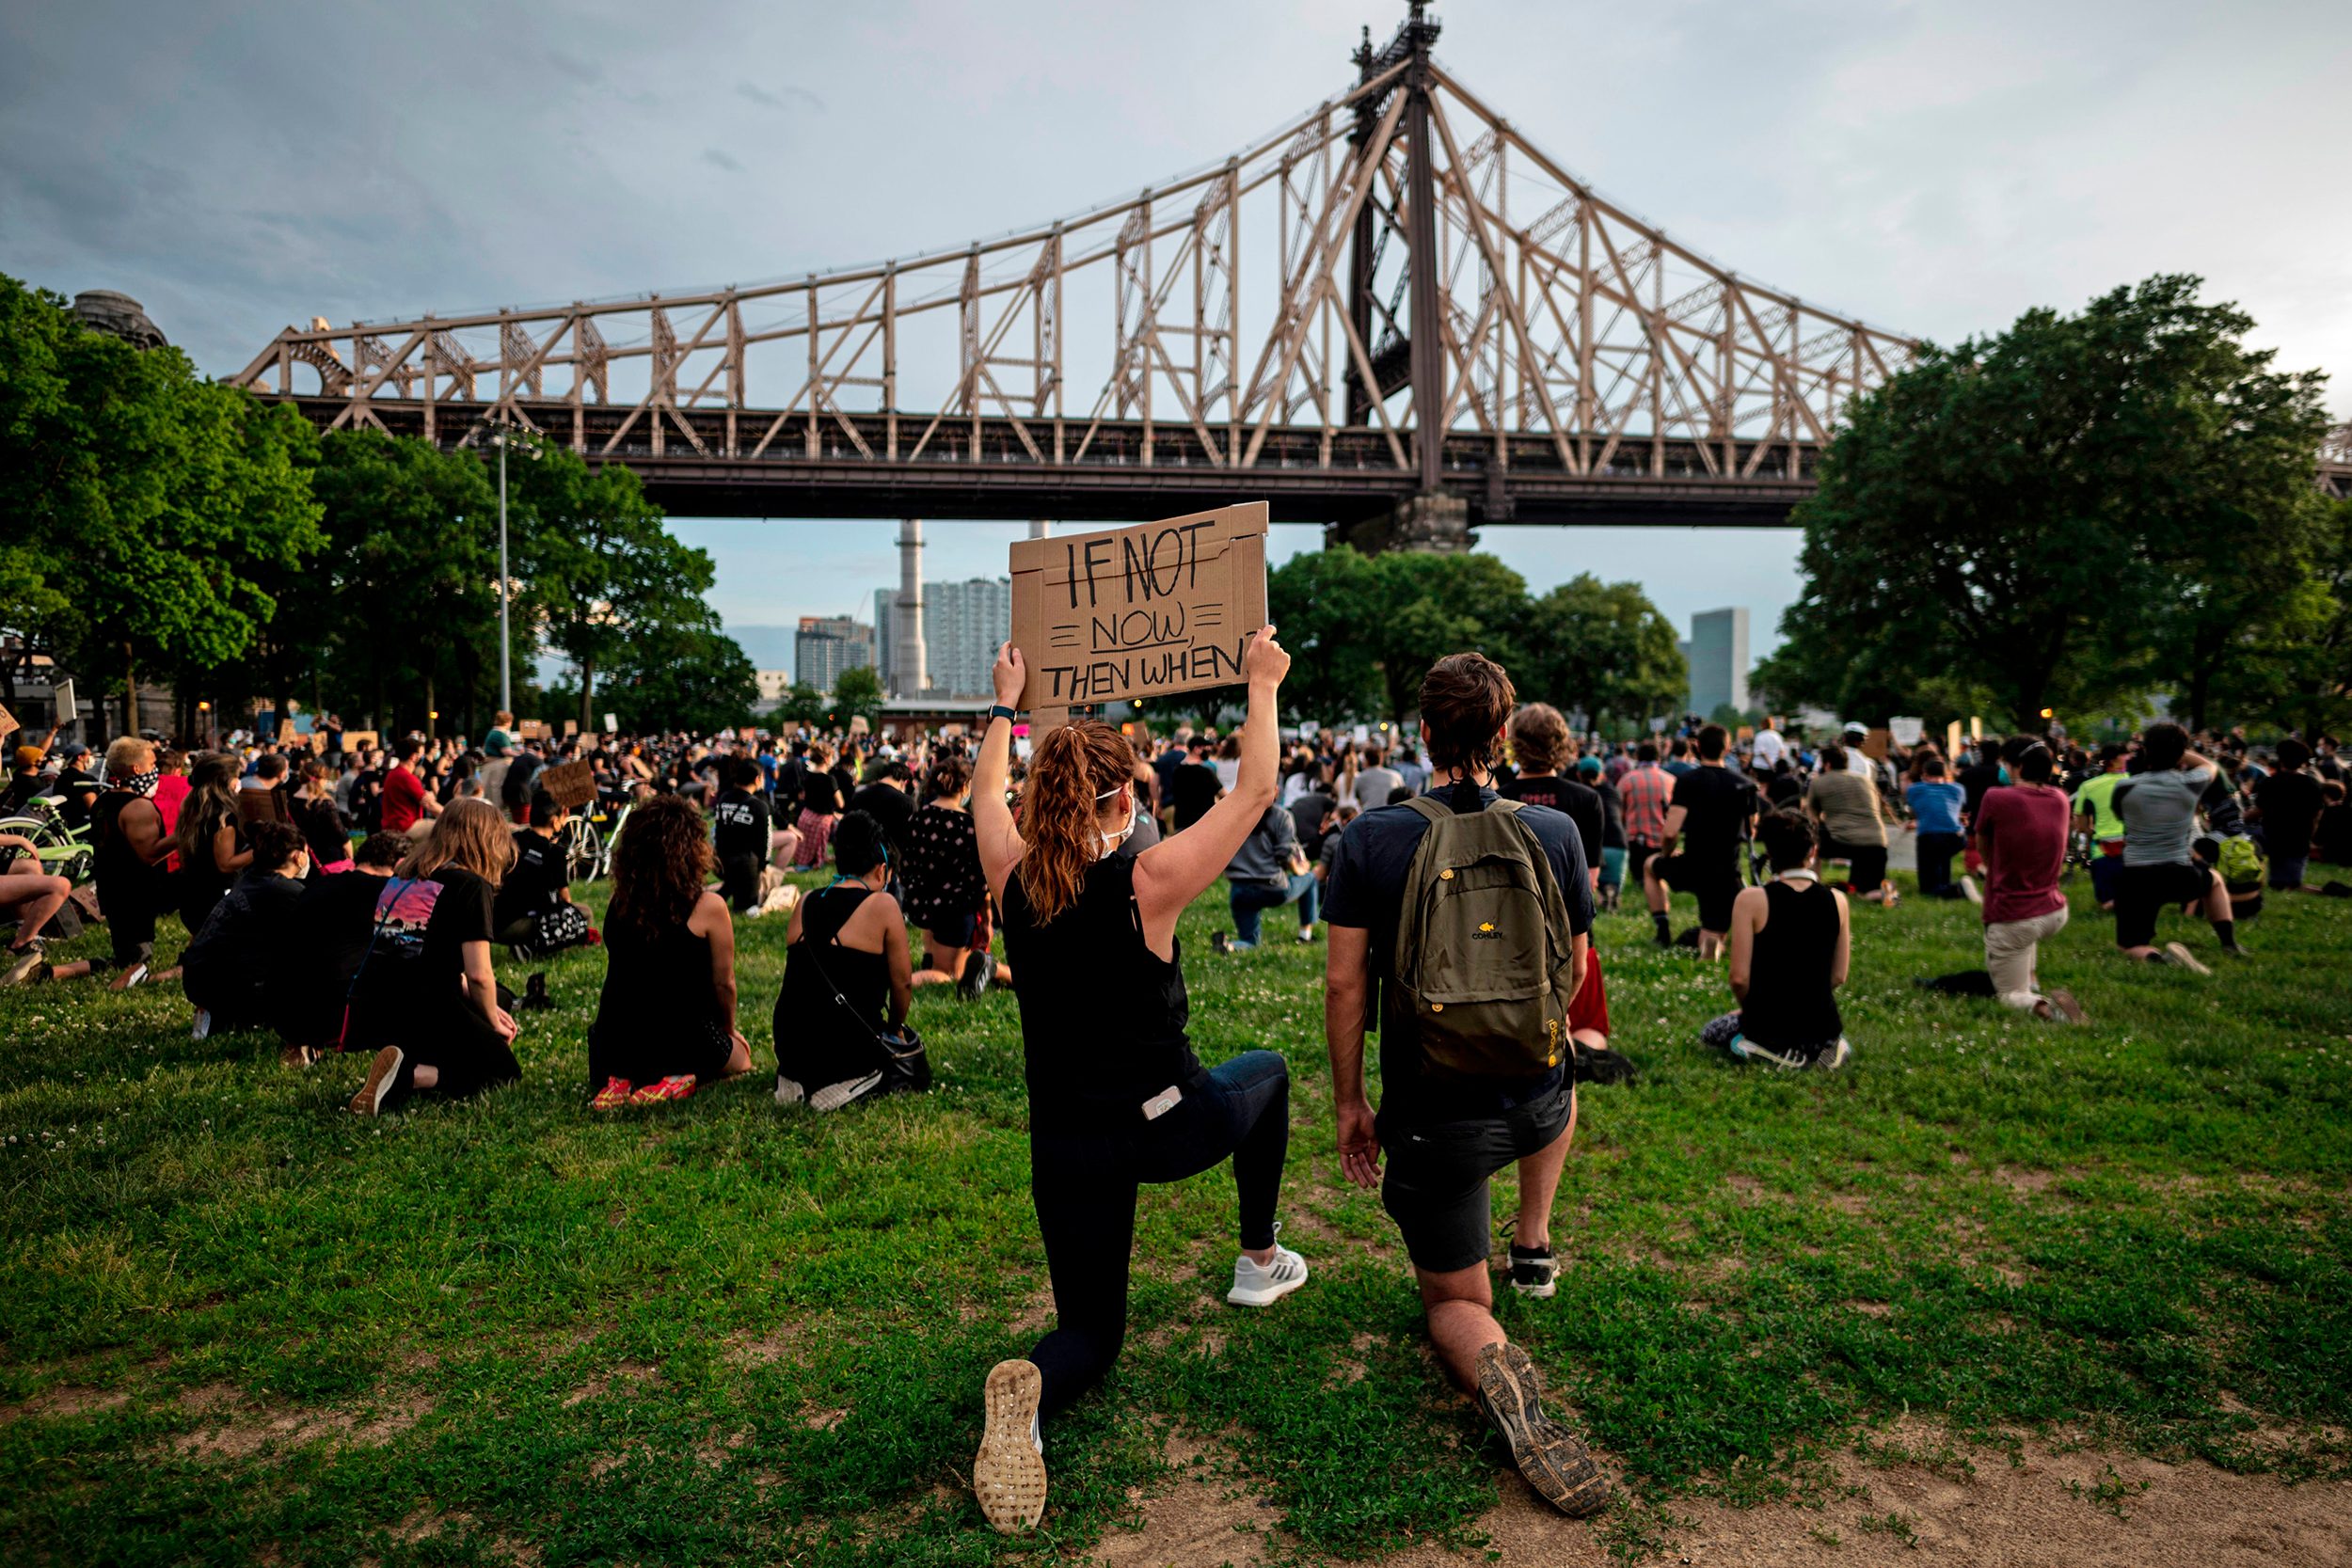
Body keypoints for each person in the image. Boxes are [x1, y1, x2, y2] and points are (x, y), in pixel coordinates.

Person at [969, 630, 1306, 1535]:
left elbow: (983, 797)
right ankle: (1259, 1255)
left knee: (1091, 1334)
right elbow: (1257, 792)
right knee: (1268, 1072)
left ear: (1041, 798)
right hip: (1165, 1123)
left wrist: (1008, 701)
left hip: (1065, 1142)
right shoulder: (1144, 882)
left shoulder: (1009, 878)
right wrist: (1261, 685)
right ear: (1123, 798)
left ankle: (1033, 1389)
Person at [1323, 650, 1605, 1519]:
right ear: (1501, 736)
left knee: (1453, 1297)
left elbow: (1344, 986)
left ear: (1422, 732)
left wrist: (1349, 1101)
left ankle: (1490, 1354)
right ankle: (1534, 1235)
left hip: (1433, 1115)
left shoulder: (1370, 837)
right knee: (1558, 1091)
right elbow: (1577, 966)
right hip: (1536, 1097)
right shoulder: (1555, 832)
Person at [346, 799, 523, 1117]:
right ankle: (409, 1076)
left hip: (380, 1005)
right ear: (487, 840)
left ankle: (411, 1058)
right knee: (502, 1071)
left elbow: (423, 955)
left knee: (503, 999)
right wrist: (492, 1022)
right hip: (428, 1006)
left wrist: (493, 1007)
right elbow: (480, 974)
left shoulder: (403, 876)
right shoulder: (471, 886)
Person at [582, 794, 752, 1107]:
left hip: (613, 1041)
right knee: (742, 1060)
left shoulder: (619, 903)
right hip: (680, 1038)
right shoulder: (708, 907)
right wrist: (727, 1031)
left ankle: (622, 1082)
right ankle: (676, 1079)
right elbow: (724, 984)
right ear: (691, 850)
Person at [1920, 744, 2084, 1022]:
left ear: (2017, 767)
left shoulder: (1997, 797)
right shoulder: (2059, 798)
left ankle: (2044, 1007)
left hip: (2013, 916)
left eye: (2006, 764)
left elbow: (1983, 847)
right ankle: (2030, 981)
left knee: (2008, 995)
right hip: (2053, 911)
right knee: (2023, 942)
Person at [774, 810, 920, 1112]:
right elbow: (903, 983)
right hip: (846, 1050)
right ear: (881, 871)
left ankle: (800, 1080)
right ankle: (842, 1079)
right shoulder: (882, 904)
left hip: (792, 1048)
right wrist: (894, 1029)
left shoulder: (807, 901)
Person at [1700, 810, 1851, 1070]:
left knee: (1711, 1032)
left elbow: (1739, 978)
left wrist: (1754, 1011)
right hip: (1821, 1021)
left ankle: (1769, 1049)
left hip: (1769, 1021)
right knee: (1821, 1035)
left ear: (1769, 853)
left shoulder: (1752, 899)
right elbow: (1839, 975)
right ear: (1812, 851)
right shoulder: (1838, 900)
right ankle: (1829, 1048)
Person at [47, 737, 176, 990]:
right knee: (138, 959)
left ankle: (54, 972)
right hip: (136, 893)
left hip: (111, 889)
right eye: (152, 763)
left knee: (123, 957)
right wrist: (186, 833)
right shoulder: (138, 806)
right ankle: (154, 976)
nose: (155, 770)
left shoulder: (103, 800)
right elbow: (150, 855)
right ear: (137, 769)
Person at [2110, 722, 2239, 974]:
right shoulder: (2191, 783)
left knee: (2129, 945)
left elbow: (2121, 817)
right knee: (2214, 880)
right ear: (2181, 753)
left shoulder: (2125, 787)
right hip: (2180, 874)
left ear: (2145, 750)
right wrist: (2181, 752)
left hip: (2136, 875)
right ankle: (2229, 944)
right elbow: (2210, 766)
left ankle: (2159, 958)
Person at [182, 819, 312, 1039]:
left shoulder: (250, 879)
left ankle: (219, 1015)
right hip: (232, 985)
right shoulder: (285, 890)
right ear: (298, 856)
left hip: (198, 978)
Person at [283, 832, 407, 1052]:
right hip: (334, 1018)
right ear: (400, 863)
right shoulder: (386, 892)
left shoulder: (320, 885)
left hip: (286, 1012)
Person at [1643, 724, 1754, 958]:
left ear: (1697, 747)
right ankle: (1709, 942)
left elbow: (1671, 831)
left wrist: (1666, 854)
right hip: (1726, 872)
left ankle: (1663, 930)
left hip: (1693, 864)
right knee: (1712, 937)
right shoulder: (1746, 785)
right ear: (1728, 748)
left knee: (1650, 866)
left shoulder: (1688, 781)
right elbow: (1751, 831)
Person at [902, 754, 1007, 998]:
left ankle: (940, 958)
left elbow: (907, 866)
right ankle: (900, 980)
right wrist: (987, 918)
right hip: (956, 912)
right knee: (950, 973)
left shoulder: (918, 819)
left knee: (949, 960)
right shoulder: (969, 825)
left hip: (925, 907)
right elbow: (980, 879)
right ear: (964, 787)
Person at [1501, 705, 1603, 892]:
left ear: (1515, 743)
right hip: (1566, 913)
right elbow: (1590, 877)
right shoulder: (1587, 799)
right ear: (1562, 743)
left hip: (1508, 912)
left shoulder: (1496, 800)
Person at [495, 789, 593, 958]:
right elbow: (565, 899)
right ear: (555, 822)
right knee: (584, 913)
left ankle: (526, 945)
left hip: (494, 921)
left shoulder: (514, 839)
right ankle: (538, 949)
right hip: (517, 925)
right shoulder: (555, 853)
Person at [1210, 801, 1318, 952]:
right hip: (1272, 887)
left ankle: (1229, 947)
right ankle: (1305, 936)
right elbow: (1284, 855)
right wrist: (1300, 871)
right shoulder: (1281, 816)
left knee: (1249, 941)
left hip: (1240, 890)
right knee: (1311, 879)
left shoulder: (1234, 815)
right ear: (1275, 791)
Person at [1805, 744, 1895, 906]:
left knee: (1814, 839)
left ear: (1827, 765)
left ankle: (1813, 886)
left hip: (1845, 842)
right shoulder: (1865, 781)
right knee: (1864, 891)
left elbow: (1812, 819)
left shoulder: (1819, 783)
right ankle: (1886, 893)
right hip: (1878, 842)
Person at [173, 754, 252, 936]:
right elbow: (225, 864)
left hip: (192, 891)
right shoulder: (224, 818)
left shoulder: (193, 806)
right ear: (226, 780)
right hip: (214, 897)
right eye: (236, 776)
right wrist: (260, 849)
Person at [2250, 737, 2326, 892]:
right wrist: (2310, 836)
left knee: (2281, 884)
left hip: (2273, 838)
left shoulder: (2270, 783)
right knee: (2290, 884)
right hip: (2299, 840)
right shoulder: (2311, 784)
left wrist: (2241, 818)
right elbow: (2317, 815)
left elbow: (2258, 811)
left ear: (2280, 759)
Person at [710, 756, 777, 915]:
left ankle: (724, 892)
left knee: (732, 886)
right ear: (757, 779)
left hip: (722, 861)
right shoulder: (759, 806)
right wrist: (763, 865)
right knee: (748, 909)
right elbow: (765, 840)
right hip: (747, 865)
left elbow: (716, 832)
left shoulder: (724, 799)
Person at [1904, 756, 1974, 900]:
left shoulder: (1915, 789)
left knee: (1927, 888)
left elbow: (1915, 809)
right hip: (1957, 837)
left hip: (1929, 836)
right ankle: (1945, 884)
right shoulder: (1958, 789)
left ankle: (1957, 889)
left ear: (1924, 774)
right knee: (1942, 856)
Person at [2072, 745, 2130, 911]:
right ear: (2115, 760)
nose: (2129, 758)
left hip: (2102, 851)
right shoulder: (2135, 782)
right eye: (2125, 755)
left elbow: (2081, 824)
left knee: (2106, 903)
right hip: (2134, 850)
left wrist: (2090, 833)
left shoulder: (2088, 787)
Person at [1577, 755, 1629, 911]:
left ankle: (1601, 895)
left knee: (1591, 885)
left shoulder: (1578, 794)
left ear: (1579, 775)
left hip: (1592, 847)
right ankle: (1611, 894)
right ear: (1601, 774)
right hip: (1617, 845)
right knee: (1612, 884)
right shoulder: (1612, 792)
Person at [1616, 742, 1673, 884]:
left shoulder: (1627, 779)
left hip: (1636, 840)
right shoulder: (1670, 780)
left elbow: (1618, 810)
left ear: (1637, 757)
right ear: (1658, 758)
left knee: (1639, 880)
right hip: (1663, 840)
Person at [290, 759, 353, 873]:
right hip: (330, 860)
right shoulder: (324, 804)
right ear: (321, 779)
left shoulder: (291, 801)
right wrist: (351, 857)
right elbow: (342, 836)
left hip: (304, 858)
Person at [790, 742, 844, 868]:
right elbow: (841, 803)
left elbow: (804, 796)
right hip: (820, 821)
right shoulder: (830, 779)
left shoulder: (808, 776)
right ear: (826, 759)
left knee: (804, 859)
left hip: (806, 817)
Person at [380, 736, 438, 840]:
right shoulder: (406, 777)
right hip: (405, 827)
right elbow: (429, 804)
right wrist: (450, 814)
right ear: (414, 757)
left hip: (394, 826)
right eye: (421, 754)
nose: (423, 757)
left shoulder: (394, 774)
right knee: (446, 829)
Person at [1166, 736, 1223, 832]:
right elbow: (1223, 794)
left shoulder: (1177, 771)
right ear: (1196, 749)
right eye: (1206, 748)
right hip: (1204, 824)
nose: (1209, 750)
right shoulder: (1206, 772)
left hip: (1182, 823)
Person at [1351, 744, 1403, 811]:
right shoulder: (1395, 775)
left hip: (1370, 815)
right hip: (1391, 813)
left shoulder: (1359, 778)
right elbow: (1403, 796)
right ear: (1381, 759)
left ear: (1366, 760)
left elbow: (1357, 799)